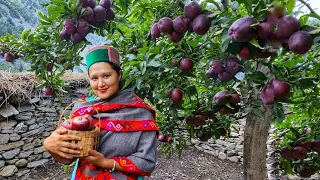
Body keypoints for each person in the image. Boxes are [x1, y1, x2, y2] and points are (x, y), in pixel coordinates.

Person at [43, 45, 159, 180]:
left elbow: (147, 162)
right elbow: (69, 158)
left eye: (106, 76)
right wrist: (50, 146)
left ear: (119, 74)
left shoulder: (140, 113)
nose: (100, 84)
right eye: (94, 78)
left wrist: (105, 163)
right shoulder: (81, 110)